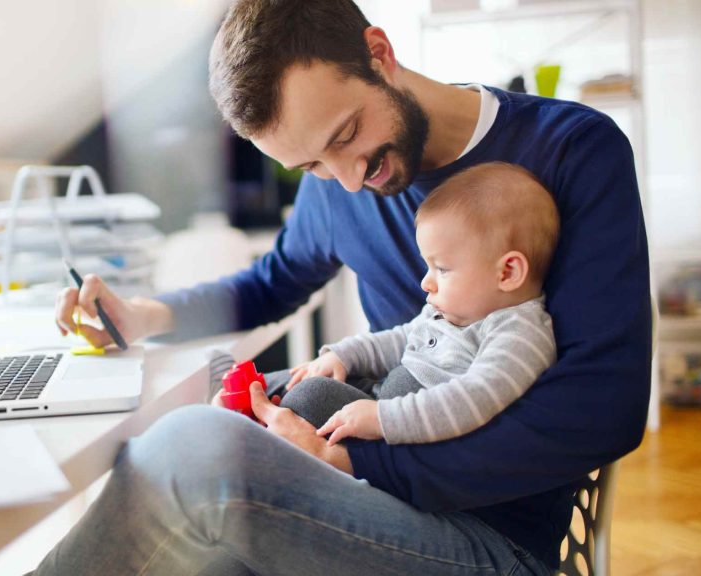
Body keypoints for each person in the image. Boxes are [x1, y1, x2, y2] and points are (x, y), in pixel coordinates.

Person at [36, 0, 651, 573]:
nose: (348, 182)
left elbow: (605, 412)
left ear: (378, 53)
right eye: (310, 166)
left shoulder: (571, 150)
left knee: (198, 455)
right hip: (356, 488)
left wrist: (357, 460)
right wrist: (142, 314)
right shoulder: (336, 181)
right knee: (191, 447)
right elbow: (271, 283)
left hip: (486, 534)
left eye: (345, 135)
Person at [261, 161, 560, 447]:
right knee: (308, 386)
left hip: (407, 439)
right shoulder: (448, 312)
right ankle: (246, 405)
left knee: (306, 402)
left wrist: (383, 419)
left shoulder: (519, 333)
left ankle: (257, 436)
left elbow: (475, 399)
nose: (426, 283)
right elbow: (400, 339)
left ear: (507, 273)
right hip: (381, 401)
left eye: (441, 269)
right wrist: (344, 355)